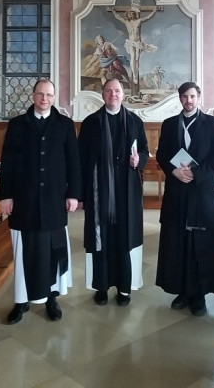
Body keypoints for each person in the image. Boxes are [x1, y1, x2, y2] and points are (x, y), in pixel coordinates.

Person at [0, 78, 81, 324]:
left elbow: (73, 162)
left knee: (53, 250)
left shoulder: (65, 125)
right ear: (33, 95)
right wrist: (6, 196)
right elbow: (8, 162)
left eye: (49, 95)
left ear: (54, 98)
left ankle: (51, 298)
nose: (45, 98)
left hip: (55, 200)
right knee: (24, 252)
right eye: (40, 94)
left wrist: (73, 194)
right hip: (24, 200)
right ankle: (21, 301)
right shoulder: (17, 125)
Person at [155, 81, 214, 316]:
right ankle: (182, 292)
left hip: (202, 192)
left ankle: (199, 296)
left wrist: (196, 174)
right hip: (177, 192)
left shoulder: (213, 124)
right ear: (180, 99)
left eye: (192, 96)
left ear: (199, 98)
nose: (189, 101)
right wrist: (173, 171)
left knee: (201, 244)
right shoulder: (169, 124)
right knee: (178, 243)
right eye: (185, 97)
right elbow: (162, 154)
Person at [78, 78, 149, 307]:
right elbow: (81, 160)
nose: (113, 95)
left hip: (127, 192)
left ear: (123, 94)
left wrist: (139, 160)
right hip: (100, 192)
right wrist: (80, 195)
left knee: (123, 239)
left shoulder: (135, 121)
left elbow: (145, 151)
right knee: (102, 239)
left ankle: (124, 289)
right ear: (103, 94)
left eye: (117, 91)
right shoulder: (91, 123)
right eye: (109, 91)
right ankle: (101, 287)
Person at [110, 7, 159, 84]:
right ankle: (135, 76)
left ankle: (136, 74)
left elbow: (148, 17)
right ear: (128, 15)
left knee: (137, 58)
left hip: (138, 42)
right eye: (129, 14)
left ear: (135, 15)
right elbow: (118, 17)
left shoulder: (138, 21)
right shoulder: (126, 22)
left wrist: (154, 11)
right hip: (131, 42)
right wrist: (113, 11)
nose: (131, 15)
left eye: (132, 14)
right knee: (133, 57)